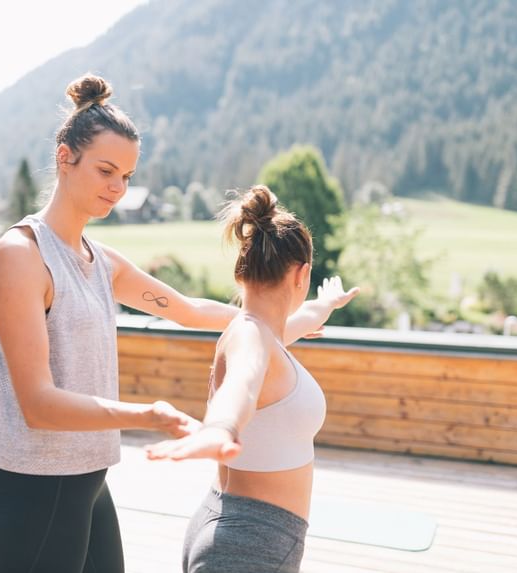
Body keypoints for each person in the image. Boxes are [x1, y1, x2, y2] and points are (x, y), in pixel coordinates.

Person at [0, 75, 342, 573]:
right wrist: (149, 414)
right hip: (33, 486)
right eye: (107, 170)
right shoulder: (21, 256)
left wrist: (298, 317)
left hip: (87, 477)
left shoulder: (100, 259)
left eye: (126, 176)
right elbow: (38, 405)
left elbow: (197, 312)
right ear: (65, 157)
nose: (117, 188)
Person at [145, 185, 359, 573]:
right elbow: (241, 383)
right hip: (248, 545)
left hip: (238, 532)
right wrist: (221, 427)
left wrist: (326, 304)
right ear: (301, 273)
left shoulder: (261, 332)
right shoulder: (250, 336)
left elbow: (302, 320)